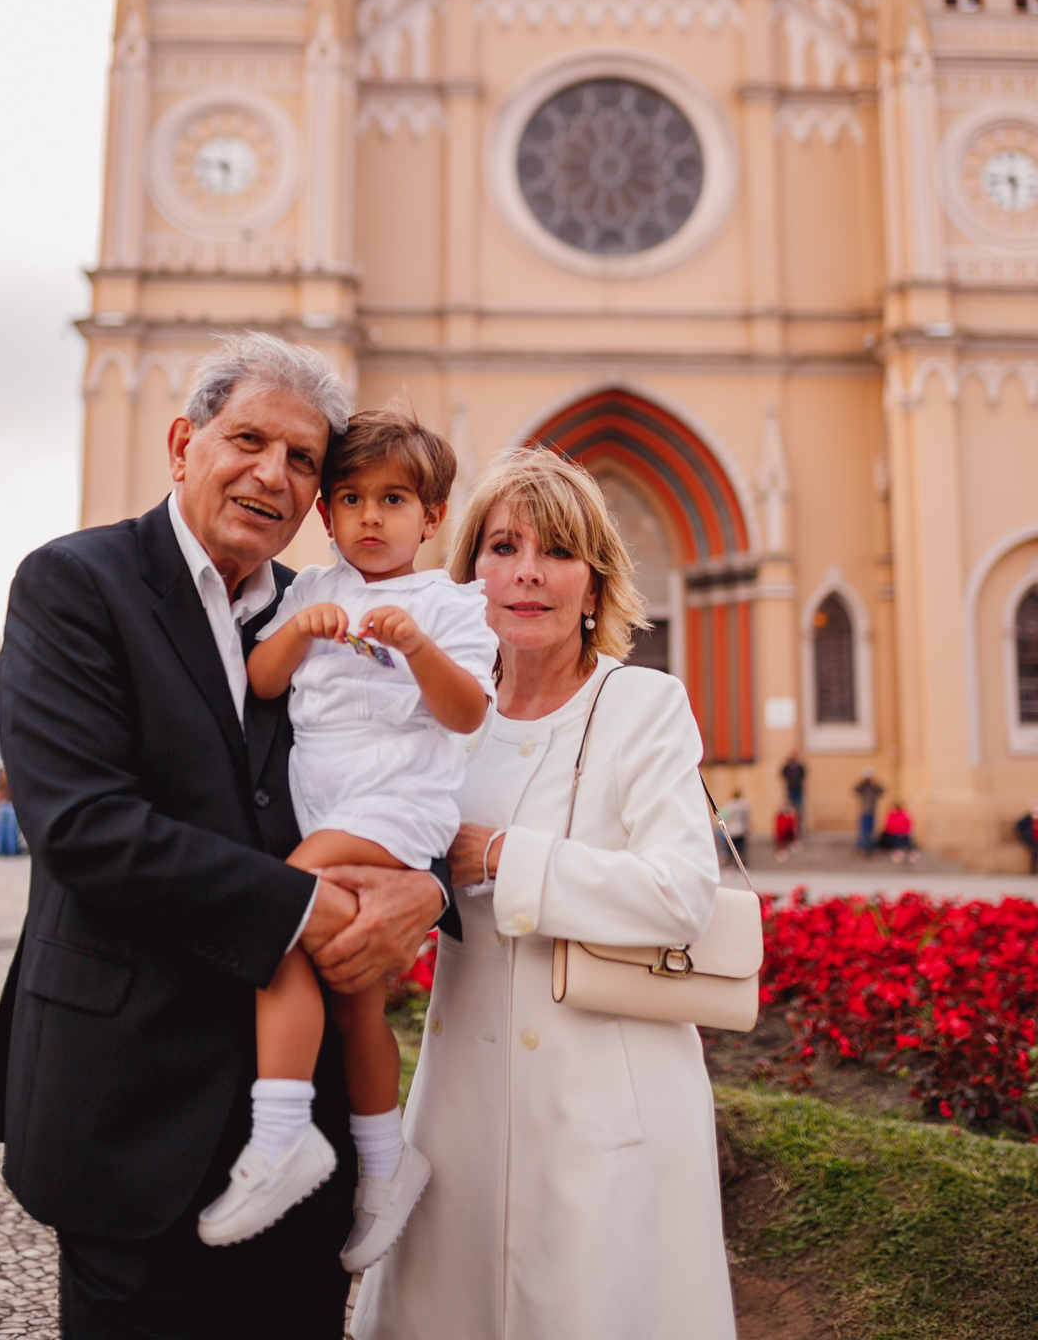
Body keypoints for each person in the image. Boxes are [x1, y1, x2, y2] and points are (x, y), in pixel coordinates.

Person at [0, 334, 454, 1340]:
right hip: (130, 1102)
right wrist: (309, 907)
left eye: (303, 459)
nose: (273, 473)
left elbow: (402, 764)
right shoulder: (75, 584)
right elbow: (84, 828)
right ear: (185, 444)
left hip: (305, 1126)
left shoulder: (324, 610)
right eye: (249, 440)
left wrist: (428, 886)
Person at [354, 449, 736, 1340]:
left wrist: (502, 858)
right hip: (461, 1110)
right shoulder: (443, 718)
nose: (528, 572)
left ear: (594, 586)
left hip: (607, 1113)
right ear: (469, 576)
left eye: (558, 552)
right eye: (503, 547)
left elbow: (682, 895)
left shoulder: (644, 705)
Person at [200, 408, 495, 1266]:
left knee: (274, 912)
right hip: (322, 804)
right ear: (326, 514)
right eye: (352, 500)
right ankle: (385, 1163)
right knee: (355, 993)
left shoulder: (449, 604)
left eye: (394, 500)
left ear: (432, 517)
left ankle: (281, 1132)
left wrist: (417, 648)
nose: (371, 517)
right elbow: (261, 682)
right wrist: (299, 630)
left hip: (396, 803)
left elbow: (467, 713)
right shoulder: (310, 591)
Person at [853, 772, 884, 855]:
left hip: (872, 812)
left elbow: (882, 791)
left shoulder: (874, 788)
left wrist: (876, 782)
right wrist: (860, 781)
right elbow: (855, 789)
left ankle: (871, 848)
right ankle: (862, 848)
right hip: (864, 812)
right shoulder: (863, 787)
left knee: (871, 831)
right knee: (863, 831)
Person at [719, 784, 750, 866]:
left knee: (732, 848)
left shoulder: (729, 805)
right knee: (741, 849)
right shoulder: (744, 805)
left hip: (732, 830)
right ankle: (741, 863)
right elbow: (747, 817)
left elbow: (724, 817)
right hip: (742, 829)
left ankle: (732, 863)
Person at [781, 751, 806, 831]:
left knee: (799, 810)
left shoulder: (799, 767)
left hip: (798, 791)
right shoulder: (787, 768)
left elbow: (803, 774)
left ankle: (798, 828)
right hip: (790, 791)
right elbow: (782, 773)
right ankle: (789, 828)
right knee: (789, 811)